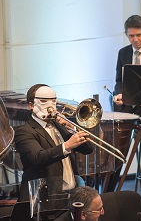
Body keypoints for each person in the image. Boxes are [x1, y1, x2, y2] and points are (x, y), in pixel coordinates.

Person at [12, 84, 94, 220]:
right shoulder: (25, 131)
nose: (50, 105)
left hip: (69, 196)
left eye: (53, 101)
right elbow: (37, 158)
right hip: (44, 199)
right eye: (43, 101)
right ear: (31, 105)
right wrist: (66, 146)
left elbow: (88, 149)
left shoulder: (60, 125)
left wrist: (72, 127)